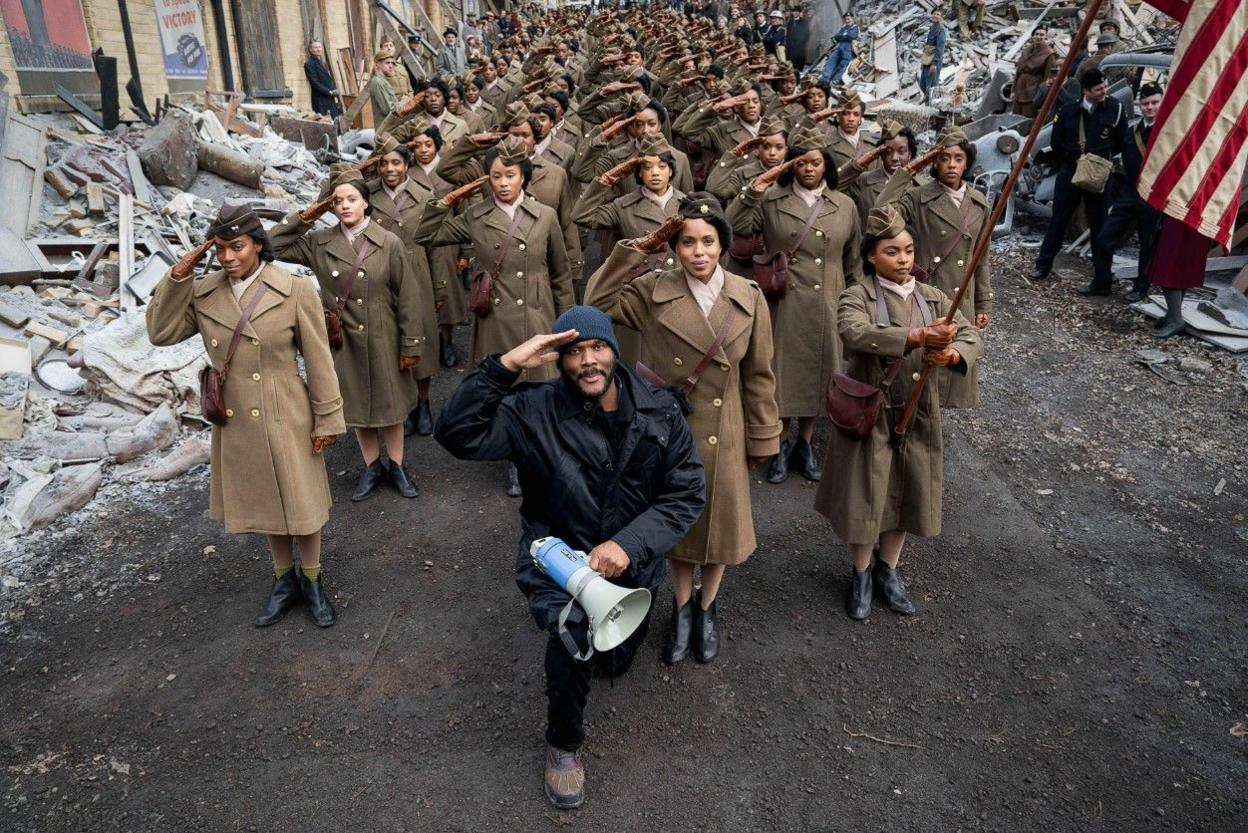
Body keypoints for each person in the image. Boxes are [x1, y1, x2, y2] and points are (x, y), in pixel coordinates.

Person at [434, 310, 704, 811]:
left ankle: (611, 636)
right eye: (574, 352)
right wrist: (506, 365)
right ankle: (563, 746)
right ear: (559, 360)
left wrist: (630, 544)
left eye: (597, 349)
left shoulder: (660, 410)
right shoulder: (530, 410)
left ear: (614, 352)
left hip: (631, 564)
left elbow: (686, 492)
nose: (587, 362)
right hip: (555, 555)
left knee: (613, 661)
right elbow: (456, 434)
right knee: (572, 636)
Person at [585, 194, 781, 666]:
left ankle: (707, 607)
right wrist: (636, 250)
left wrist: (763, 436)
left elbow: (759, 375)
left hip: (725, 427)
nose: (698, 252)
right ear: (673, 246)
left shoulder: (748, 296)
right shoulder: (653, 289)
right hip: (667, 429)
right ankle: (681, 604)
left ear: (723, 245)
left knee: (719, 527)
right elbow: (595, 304)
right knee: (675, 525)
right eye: (687, 242)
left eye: (708, 242)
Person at [146, 204, 345, 628]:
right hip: (237, 417)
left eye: (237, 247)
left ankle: (311, 579)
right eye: (219, 250)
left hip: (287, 408)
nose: (228, 258)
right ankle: (282, 580)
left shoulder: (294, 288)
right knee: (267, 501)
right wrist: (180, 275)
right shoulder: (204, 292)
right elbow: (160, 333)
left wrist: (327, 418)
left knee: (302, 501)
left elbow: (319, 358)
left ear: (257, 243)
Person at [814, 205, 983, 620]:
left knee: (908, 488)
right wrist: (914, 336)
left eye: (908, 250)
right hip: (871, 410)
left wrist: (952, 353)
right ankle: (861, 571)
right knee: (865, 494)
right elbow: (854, 333)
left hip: (919, 410)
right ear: (872, 256)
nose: (904, 259)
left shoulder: (933, 296)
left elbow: (969, 332)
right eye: (892, 251)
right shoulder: (857, 295)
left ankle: (889, 569)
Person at [413, 136, 575, 497]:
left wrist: (566, 325)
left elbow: (561, 274)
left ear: (523, 177)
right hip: (495, 320)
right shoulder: (474, 216)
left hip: (538, 314)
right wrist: (447, 201)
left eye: (510, 175)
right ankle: (516, 460)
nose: (503, 183)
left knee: (544, 390)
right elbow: (425, 234)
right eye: (496, 176)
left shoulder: (545, 216)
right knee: (507, 392)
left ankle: (546, 457)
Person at [271, 170, 431, 502]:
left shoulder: (388, 243)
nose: (345, 206)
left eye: (352, 199)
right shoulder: (319, 241)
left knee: (390, 404)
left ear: (366, 202)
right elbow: (273, 245)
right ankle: (372, 466)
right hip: (342, 337)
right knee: (358, 403)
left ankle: (398, 467)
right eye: (338, 201)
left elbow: (408, 298)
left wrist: (411, 344)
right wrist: (306, 215)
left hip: (384, 333)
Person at [726, 124, 861, 484]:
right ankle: (779, 443)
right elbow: (735, 224)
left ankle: (804, 443)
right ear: (790, 166)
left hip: (827, 301)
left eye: (815, 162)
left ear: (826, 165)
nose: (809, 169)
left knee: (819, 374)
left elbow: (854, 260)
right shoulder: (771, 200)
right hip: (784, 300)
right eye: (800, 163)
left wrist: (855, 301)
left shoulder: (844, 205)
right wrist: (756, 188)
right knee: (781, 372)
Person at [876, 127, 992, 409]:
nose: (951, 165)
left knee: (949, 363)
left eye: (958, 158)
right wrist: (908, 171)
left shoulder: (979, 203)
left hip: (960, 298)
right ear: (933, 162)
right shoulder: (918, 197)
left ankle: (935, 428)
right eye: (943, 158)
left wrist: (982, 304)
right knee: (919, 367)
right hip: (927, 295)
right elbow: (881, 211)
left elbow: (981, 257)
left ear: (967, 162)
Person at [363, 136, 443, 436]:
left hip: (417, 272)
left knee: (422, 341)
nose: (389, 169)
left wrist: (440, 287)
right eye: (382, 163)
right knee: (391, 341)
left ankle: (424, 404)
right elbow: (332, 196)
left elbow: (436, 244)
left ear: (407, 164)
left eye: (395, 162)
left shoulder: (424, 195)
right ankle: (404, 407)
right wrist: (364, 168)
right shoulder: (367, 195)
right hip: (381, 277)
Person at [1031, 69, 1129, 282]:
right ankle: (1043, 265)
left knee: (1100, 225)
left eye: (1105, 87)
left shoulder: (1116, 108)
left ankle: (1102, 274)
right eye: (1098, 89)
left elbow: (1122, 142)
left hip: (1100, 174)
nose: (1104, 92)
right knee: (1058, 220)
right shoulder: (1068, 111)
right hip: (1070, 171)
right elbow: (1056, 142)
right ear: (1086, 91)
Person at [1082, 82, 1164, 301]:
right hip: (1129, 193)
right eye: (1145, 103)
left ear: (1162, 102)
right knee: (1104, 238)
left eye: (1155, 102)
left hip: (1154, 196)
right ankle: (1102, 282)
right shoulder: (1132, 131)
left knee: (1147, 245)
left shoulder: (1168, 133)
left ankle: (1141, 288)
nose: (1150, 108)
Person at [838, 120, 912, 227]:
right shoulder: (864, 181)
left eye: (901, 152)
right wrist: (858, 164)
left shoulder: (919, 186)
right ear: (880, 154)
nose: (895, 158)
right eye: (888, 152)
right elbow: (832, 189)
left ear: (910, 154)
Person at [1012, 27, 1055, 118]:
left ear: (1045, 37)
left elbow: (1048, 77)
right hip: (1020, 88)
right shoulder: (1026, 50)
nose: (1039, 37)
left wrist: (1042, 96)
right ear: (1032, 36)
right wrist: (1013, 90)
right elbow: (1018, 71)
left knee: (1027, 117)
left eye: (1042, 35)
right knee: (1015, 116)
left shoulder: (1048, 53)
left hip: (1033, 90)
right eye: (1037, 34)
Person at [304, 41, 341, 119]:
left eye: (319, 47)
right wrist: (329, 92)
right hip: (320, 99)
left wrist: (333, 91)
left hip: (329, 98)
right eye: (316, 47)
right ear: (310, 50)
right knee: (325, 121)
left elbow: (327, 79)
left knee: (335, 121)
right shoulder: (309, 64)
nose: (318, 49)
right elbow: (314, 83)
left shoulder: (322, 63)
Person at [821, 14, 858, 85]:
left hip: (848, 48)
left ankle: (836, 80)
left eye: (849, 19)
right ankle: (825, 79)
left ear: (852, 19)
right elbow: (836, 37)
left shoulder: (855, 27)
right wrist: (844, 36)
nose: (847, 21)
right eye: (846, 19)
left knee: (844, 64)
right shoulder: (843, 27)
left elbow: (852, 36)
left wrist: (842, 36)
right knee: (831, 61)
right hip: (839, 47)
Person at [919, 11, 947, 107]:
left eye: (938, 14)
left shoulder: (941, 31)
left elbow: (940, 49)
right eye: (934, 14)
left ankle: (931, 108)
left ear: (941, 17)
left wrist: (934, 64)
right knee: (922, 84)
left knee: (931, 87)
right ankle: (928, 101)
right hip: (927, 60)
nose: (935, 16)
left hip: (934, 62)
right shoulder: (932, 28)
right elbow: (928, 46)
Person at [367, 51, 401, 123]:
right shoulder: (378, 82)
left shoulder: (383, 81)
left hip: (391, 126)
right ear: (377, 65)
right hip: (385, 129)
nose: (391, 66)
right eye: (387, 63)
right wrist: (403, 103)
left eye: (392, 63)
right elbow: (387, 110)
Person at [786, 5, 812, 73]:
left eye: (797, 11)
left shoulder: (803, 22)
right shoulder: (790, 22)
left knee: (800, 62)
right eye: (794, 11)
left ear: (799, 13)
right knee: (792, 63)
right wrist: (789, 44)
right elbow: (787, 35)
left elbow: (807, 34)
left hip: (800, 46)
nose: (795, 13)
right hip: (791, 47)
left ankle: (799, 74)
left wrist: (802, 43)